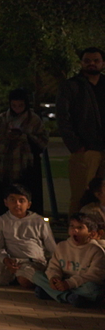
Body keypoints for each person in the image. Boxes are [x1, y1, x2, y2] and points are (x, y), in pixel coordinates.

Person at [0, 185, 54, 288]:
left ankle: (18, 277)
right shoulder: (0, 222)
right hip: (10, 260)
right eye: (13, 200)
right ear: (6, 202)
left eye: (21, 201)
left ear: (29, 204)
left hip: (32, 261)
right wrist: (5, 260)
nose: (17, 204)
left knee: (26, 280)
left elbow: (51, 246)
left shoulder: (39, 221)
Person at [58, 48, 105, 214]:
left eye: (96, 60)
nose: (92, 63)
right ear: (81, 63)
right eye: (87, 60)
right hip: (84, 151)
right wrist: (76, 146)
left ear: (103, 63)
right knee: (80, 196)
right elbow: (63, 117)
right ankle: (76, 228)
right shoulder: (71, 86)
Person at [0, 89, 48, 218]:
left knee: (28, 196)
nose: (17, 109)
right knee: (6, 197)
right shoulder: (2, 118)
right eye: (14, 105)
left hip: (27, 166)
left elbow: (42, 141)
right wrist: (6, 137)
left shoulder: (33, 119)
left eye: (20, 105)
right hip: (6, 165)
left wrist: (25, 137)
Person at [31, 212, 105, 307]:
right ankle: (68, 296)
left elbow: (94, 275)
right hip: (63, 280)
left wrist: (69, 284)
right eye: (72, 226)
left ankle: (52, 293)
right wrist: (54, 278)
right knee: (36, 275)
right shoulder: (62, 246)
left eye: (80, 228)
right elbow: (54, 267)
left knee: (93, 290)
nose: (75, 230)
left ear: (91, 233)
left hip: (81, 284)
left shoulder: (96, 250)